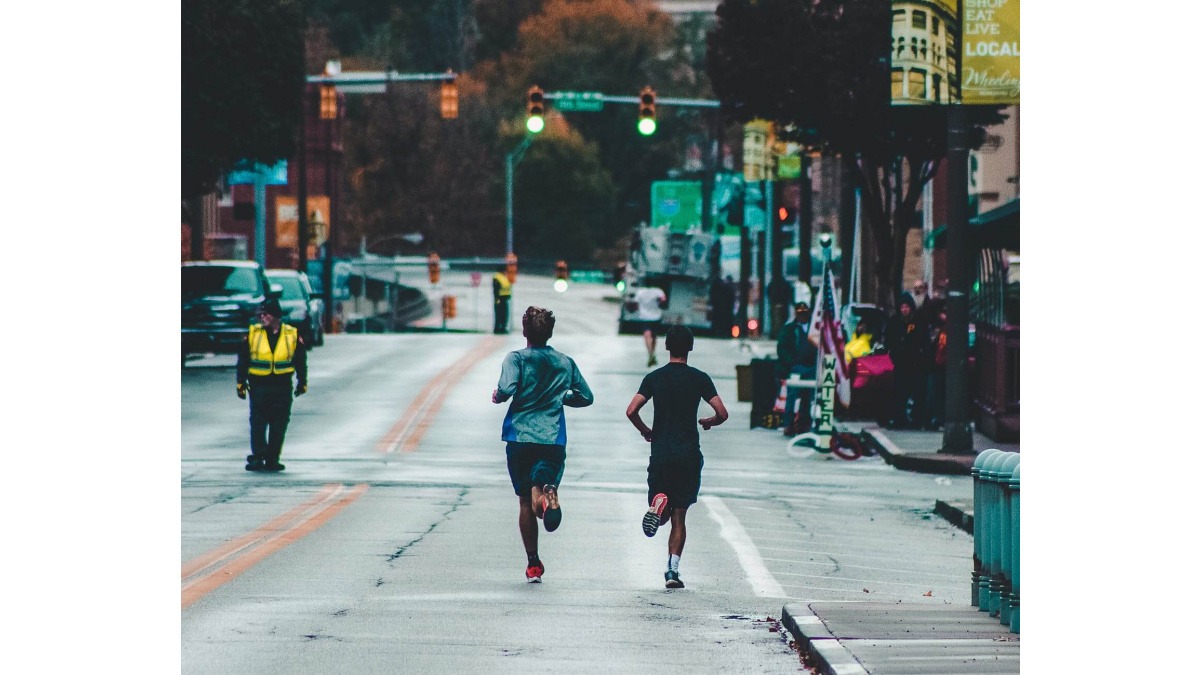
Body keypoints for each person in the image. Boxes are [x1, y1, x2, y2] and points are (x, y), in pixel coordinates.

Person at [492, 306, 594, 583]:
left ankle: (533, 563)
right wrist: (561, 398)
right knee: (540, 488)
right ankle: (548, 496)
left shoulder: (516, 359)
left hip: (519, 437)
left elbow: (507, 387)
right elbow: (586, 396)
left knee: (525, 501)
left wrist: (499, 396)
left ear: (525, 331)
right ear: (549, 332)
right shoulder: (565, 362)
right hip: (552, 440)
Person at [626, 325, 728, 589]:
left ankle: (659, 505)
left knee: (663, 514)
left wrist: (645, 431)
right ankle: (672, 571)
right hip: (688, 456)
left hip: (661, 453)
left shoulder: (654, 378)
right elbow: (722, 412)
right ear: (690, 348)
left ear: (667, 347)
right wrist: (709, 421)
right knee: (679, 518)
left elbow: (631, 410)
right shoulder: (699, 378)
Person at [236, 298, 308, 472]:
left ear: (276, 315)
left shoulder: (292, 334)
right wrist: (240, 382)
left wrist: (302, 382)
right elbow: (243, 360)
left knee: (279, 424)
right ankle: (258, 457)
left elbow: (300, 360)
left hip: (282, 387)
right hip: (259, 386)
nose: (262, 317)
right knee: (258, 423)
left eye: (265, 314)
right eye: (260, 314)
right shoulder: (253, 334)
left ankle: (273, 458)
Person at [884, 294, 928, 429]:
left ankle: (917, 420)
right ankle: (899, 419)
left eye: (906, 307)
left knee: (917, 393)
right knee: (899, 393)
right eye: (902, 307)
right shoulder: (894, 321)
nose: (904, 310)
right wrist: (893, 353)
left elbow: (924, 340)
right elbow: (888, 340)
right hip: (900, 363)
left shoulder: (918, 321)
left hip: (915, 363)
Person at [775, 301, 818, 437]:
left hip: (811, 367)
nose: (803, 316)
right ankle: (788, 424)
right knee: (791, 396)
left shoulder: (815, 329)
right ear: (796, 314)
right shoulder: (789, 329)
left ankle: (804, 424)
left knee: (807, 397)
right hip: (796, 368)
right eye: (800, 314)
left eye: (805, 314)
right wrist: (791, 364)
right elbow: (782, 348)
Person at [625, 282, 668, 366]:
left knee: (647, 335)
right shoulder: (658, 291)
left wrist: (630, 307)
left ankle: (651, 355)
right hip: (656, 316)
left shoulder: (640, 292)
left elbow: (635, 303)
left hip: (644, 317)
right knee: (654, 336)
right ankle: (652, 354)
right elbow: (663, 299)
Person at [923, 300, 948, 430]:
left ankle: (935, 420)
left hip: (938, 366)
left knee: (936, 394)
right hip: (936, 366)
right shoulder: (939, 329)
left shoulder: (940, 329)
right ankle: (934, 420)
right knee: (935, 394)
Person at [492, 265, 512, 334]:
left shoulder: (504, 277)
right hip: (499, 299)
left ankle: (503, 328)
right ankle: (497, 329)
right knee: (499, 314)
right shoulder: (497, 277)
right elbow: (496, 289)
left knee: (504, 315)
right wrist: (497, 299)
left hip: (505, 299)